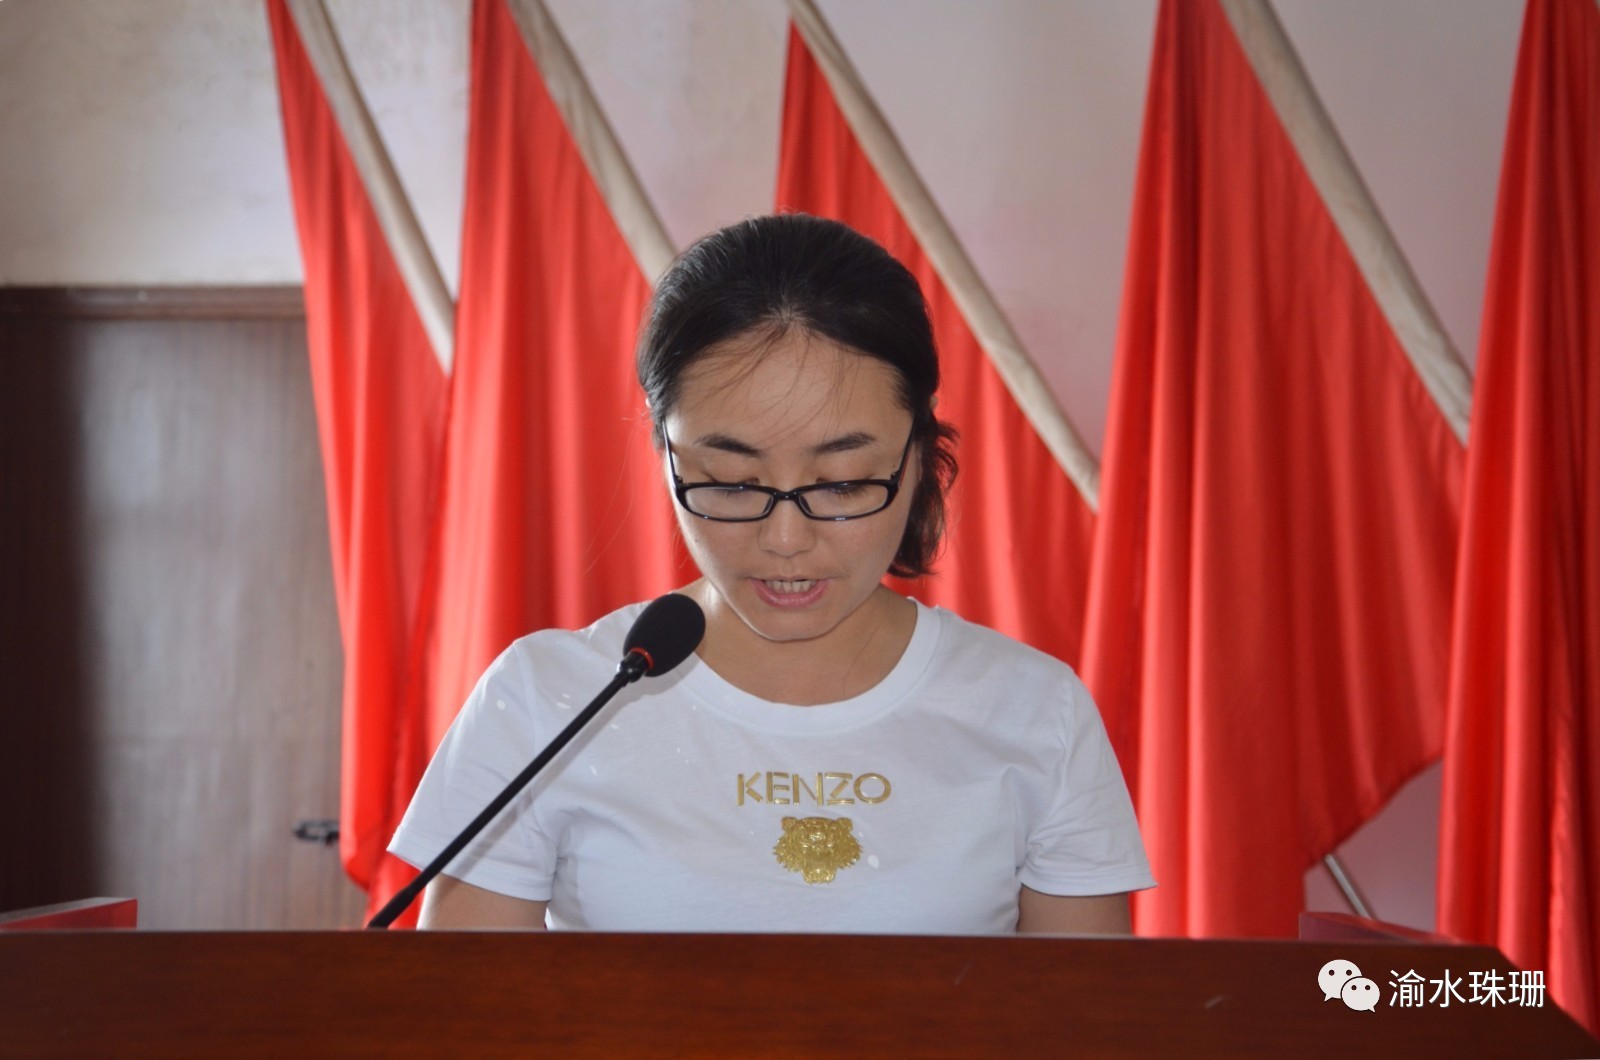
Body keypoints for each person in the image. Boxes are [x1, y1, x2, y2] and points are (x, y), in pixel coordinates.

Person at [389, 213, 1152, 933]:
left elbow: (1084, 1012)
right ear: (666, 455)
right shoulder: (546, 700)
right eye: (729, 482)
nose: (785, 539)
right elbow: (456, 1009)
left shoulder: (1035, 712)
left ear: (919, 457)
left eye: (843, 483)